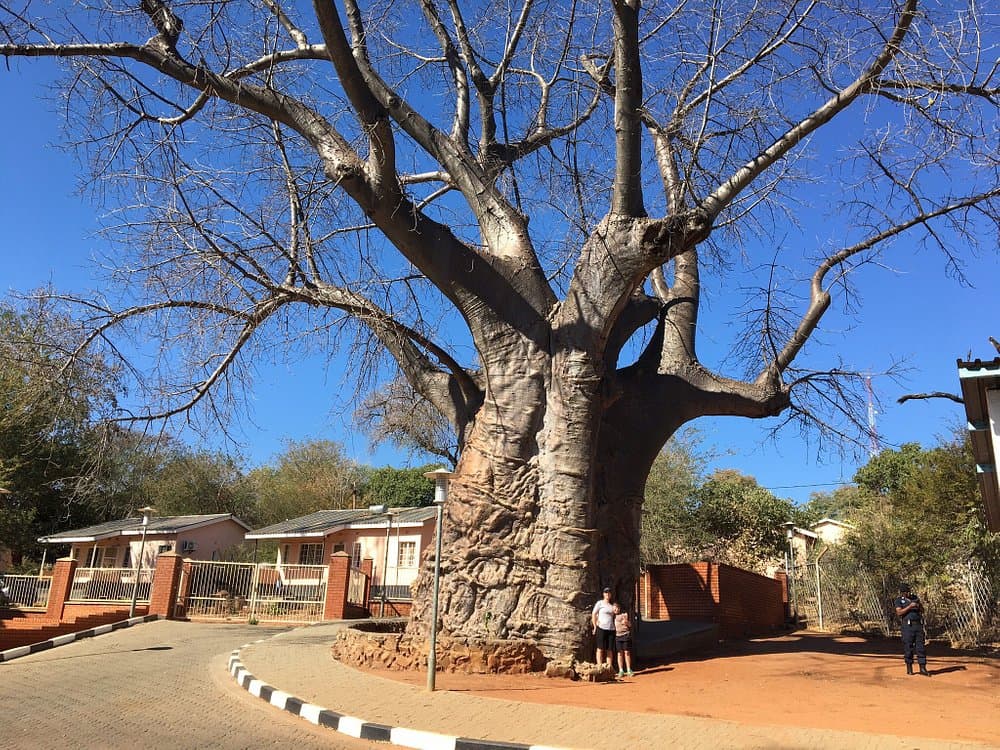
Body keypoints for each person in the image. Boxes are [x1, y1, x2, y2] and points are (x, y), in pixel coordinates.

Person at [894, 582, 930, 676]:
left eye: (909, 591)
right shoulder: (899, 601)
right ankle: (909, 667)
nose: (908, 593)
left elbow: (922, 610)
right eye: (906, 592)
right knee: (908, 647)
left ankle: (922, 667)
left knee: (920, 647)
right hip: (907, 626)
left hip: (918, 625)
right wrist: (910, 607)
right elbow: (899, 613)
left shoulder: (915, 598)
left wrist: (918, 605)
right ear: (902, 593)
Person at [591, 586, 615, 668]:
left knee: (609, 649)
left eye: (609, 592)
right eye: (606, 592)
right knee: (600, 648)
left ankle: (609, 667)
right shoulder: (600, 603)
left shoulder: (612, 606)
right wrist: (595, 626)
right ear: (603, 594)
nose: (607, 594)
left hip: (611, 629)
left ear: (611, 594)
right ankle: (599, 666)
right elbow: (594, 614)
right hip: (601, 628)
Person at [613, 602, 634, 678]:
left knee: (627, 652)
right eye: (615, 608)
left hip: (625, 635)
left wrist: (626, 622)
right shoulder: (612, 616)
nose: (616, 609)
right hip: (617, 636)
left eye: (617, 608)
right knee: (619, 653)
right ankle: (621, 670)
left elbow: (630, 625)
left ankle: (628, 669)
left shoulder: (624, 615)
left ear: (619, 608)